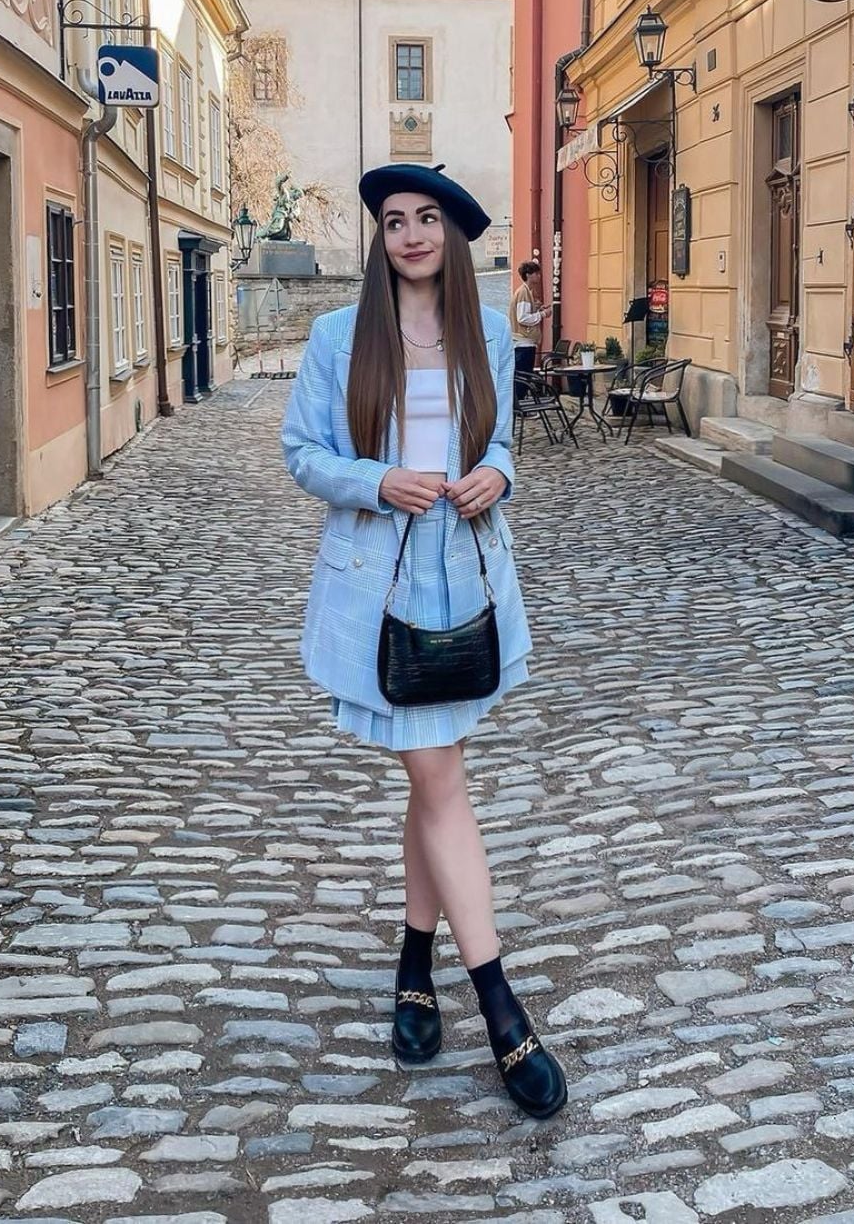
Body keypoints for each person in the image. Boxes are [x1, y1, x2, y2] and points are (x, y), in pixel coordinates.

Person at [281, 163, 567, 1121]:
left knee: (429, 774)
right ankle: (500, 1009)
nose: (409, 234)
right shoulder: (337, 337)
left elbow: (500, 444)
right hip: (380, 587)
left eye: (426, 218)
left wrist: (496, 474)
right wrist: (375, 481)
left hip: (468, 583)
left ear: (450, 234)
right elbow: (301, 453)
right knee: (438, 778)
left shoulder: (487, 331)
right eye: (394, 221)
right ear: (381, 238)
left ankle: (413, 964)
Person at [509, 260, 551, 375]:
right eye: (536, 273)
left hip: (523, 342)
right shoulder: (524, 293)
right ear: (528, 275)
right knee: (523, 378)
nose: (539, 276)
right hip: (524, 342)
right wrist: (542, 314)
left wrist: (537, 310)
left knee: (522, 377)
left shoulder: (525, 292)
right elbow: (522, 318)